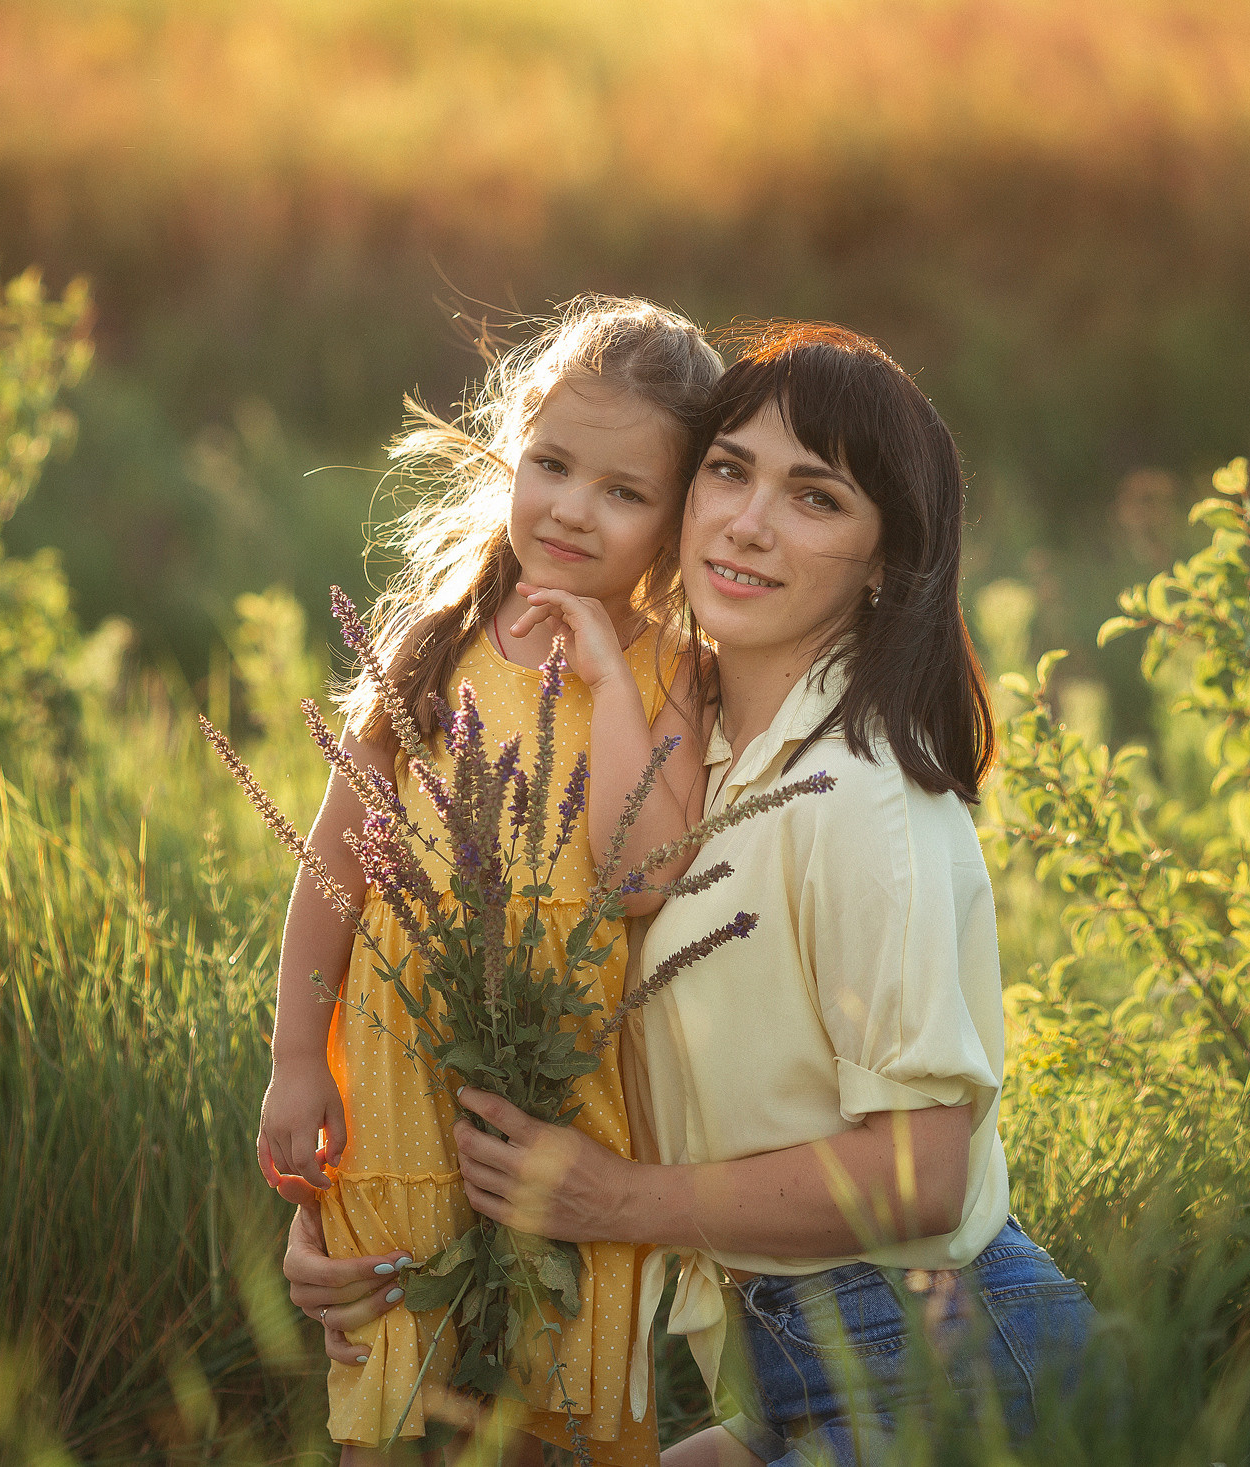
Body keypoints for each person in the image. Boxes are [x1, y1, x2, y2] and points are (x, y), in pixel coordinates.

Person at [441, 322, 1095, 1463]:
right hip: (801, 1367)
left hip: (947, 1363)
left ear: (888, 559)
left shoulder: (863, 797)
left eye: (816, 497)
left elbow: (923, 1173)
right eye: (729, 471)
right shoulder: (694, 754)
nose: (747, 521)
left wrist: (620, 1203)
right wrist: (365, 1244)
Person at [260, 296, 721, 1465]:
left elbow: (637, 874)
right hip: (403, 1076)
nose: (572, 508)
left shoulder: (672, 670)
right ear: (513, 449)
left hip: (562, 1096)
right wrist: (293, 1059)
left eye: (624, 493)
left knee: (544, 1404)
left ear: (677, 522)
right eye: (552, 465)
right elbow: (334, 870)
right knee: (394, 1388)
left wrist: (609, 678)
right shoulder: (436, 638)